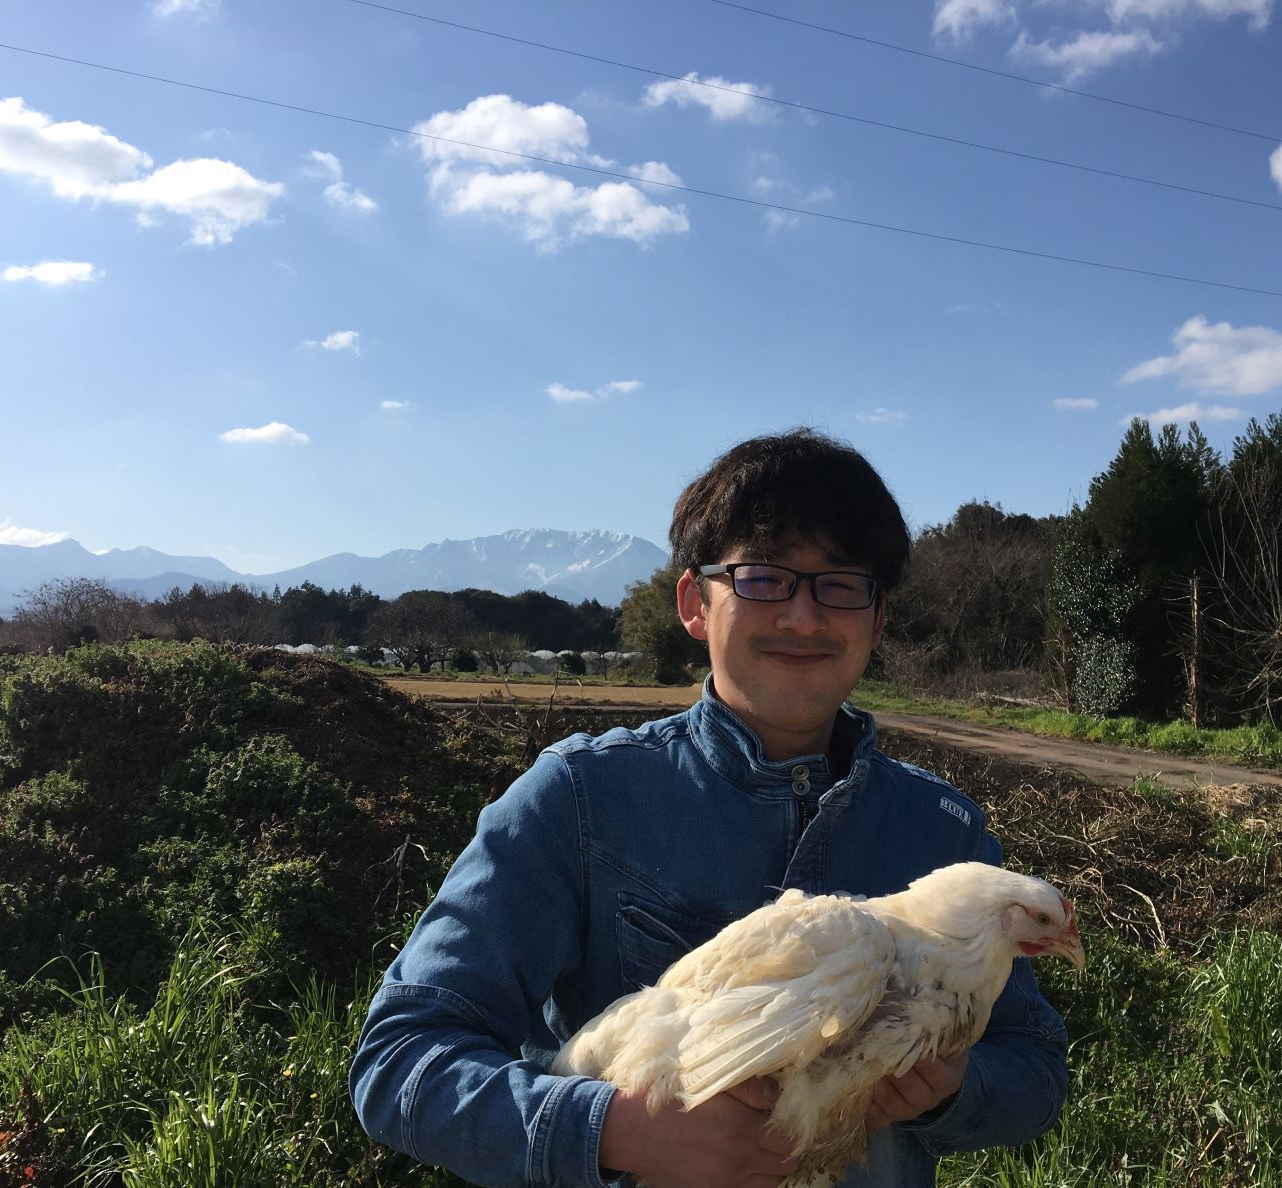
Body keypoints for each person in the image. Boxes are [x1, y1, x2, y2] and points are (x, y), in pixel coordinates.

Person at [350, 428, 1070, 1187]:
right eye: (763, 578)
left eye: (840, 584)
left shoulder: (942, 833)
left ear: (877, 616)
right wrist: (616, 1131)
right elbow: (400, 1060)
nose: (803, 617)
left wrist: (952, 1089)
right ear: (695, 603)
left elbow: (1034, 1072)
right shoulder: (581, 798)